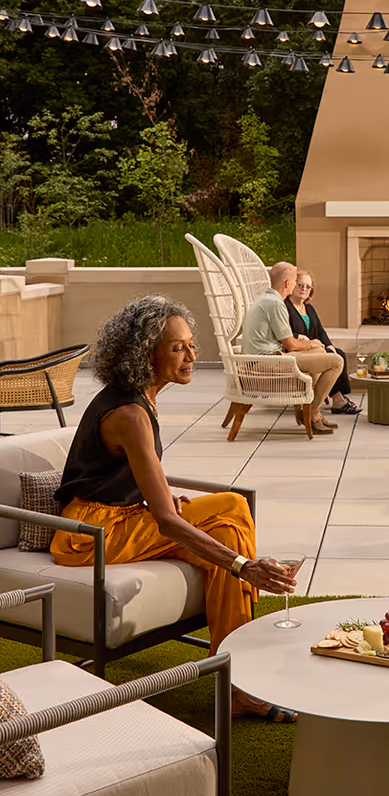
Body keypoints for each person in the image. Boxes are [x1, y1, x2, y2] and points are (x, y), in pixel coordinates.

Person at [50, 295, 297, 722]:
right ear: (147, 352)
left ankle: (237, 682)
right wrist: (244, 567)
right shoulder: (129, 413)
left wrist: (232, 557)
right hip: (89, 533)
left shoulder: (140, 397)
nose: (191, 356)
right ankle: (242, 683)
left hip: (121, 518)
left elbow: (141, 487)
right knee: (233, 522)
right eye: (178, 347)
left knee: (229, 526)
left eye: (190, 345)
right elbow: (164, 520)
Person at [224, 260, 344, 437]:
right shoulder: (276, 303)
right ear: (288, 283)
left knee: (320, 353)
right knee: (336, 361)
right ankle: (313, 411)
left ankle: (311, 411)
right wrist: (311, 343)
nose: (297, 285)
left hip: (268, 356)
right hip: (266, 361)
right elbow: (290, 345)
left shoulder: (267, 298)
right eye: (296, 281)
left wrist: (313, 345)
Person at [286, 269, 359, 415]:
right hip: (298, 351)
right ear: (293, 286)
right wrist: (300, 337)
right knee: (333, 358)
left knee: (338, 353)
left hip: (314, 348)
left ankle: (337, 397)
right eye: (301, 285)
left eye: (308, 287)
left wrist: (329, 345)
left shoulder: (309, 308)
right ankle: (337, 400)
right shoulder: (285, 307)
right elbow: (283, 332)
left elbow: (320, 331)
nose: (304, 289)